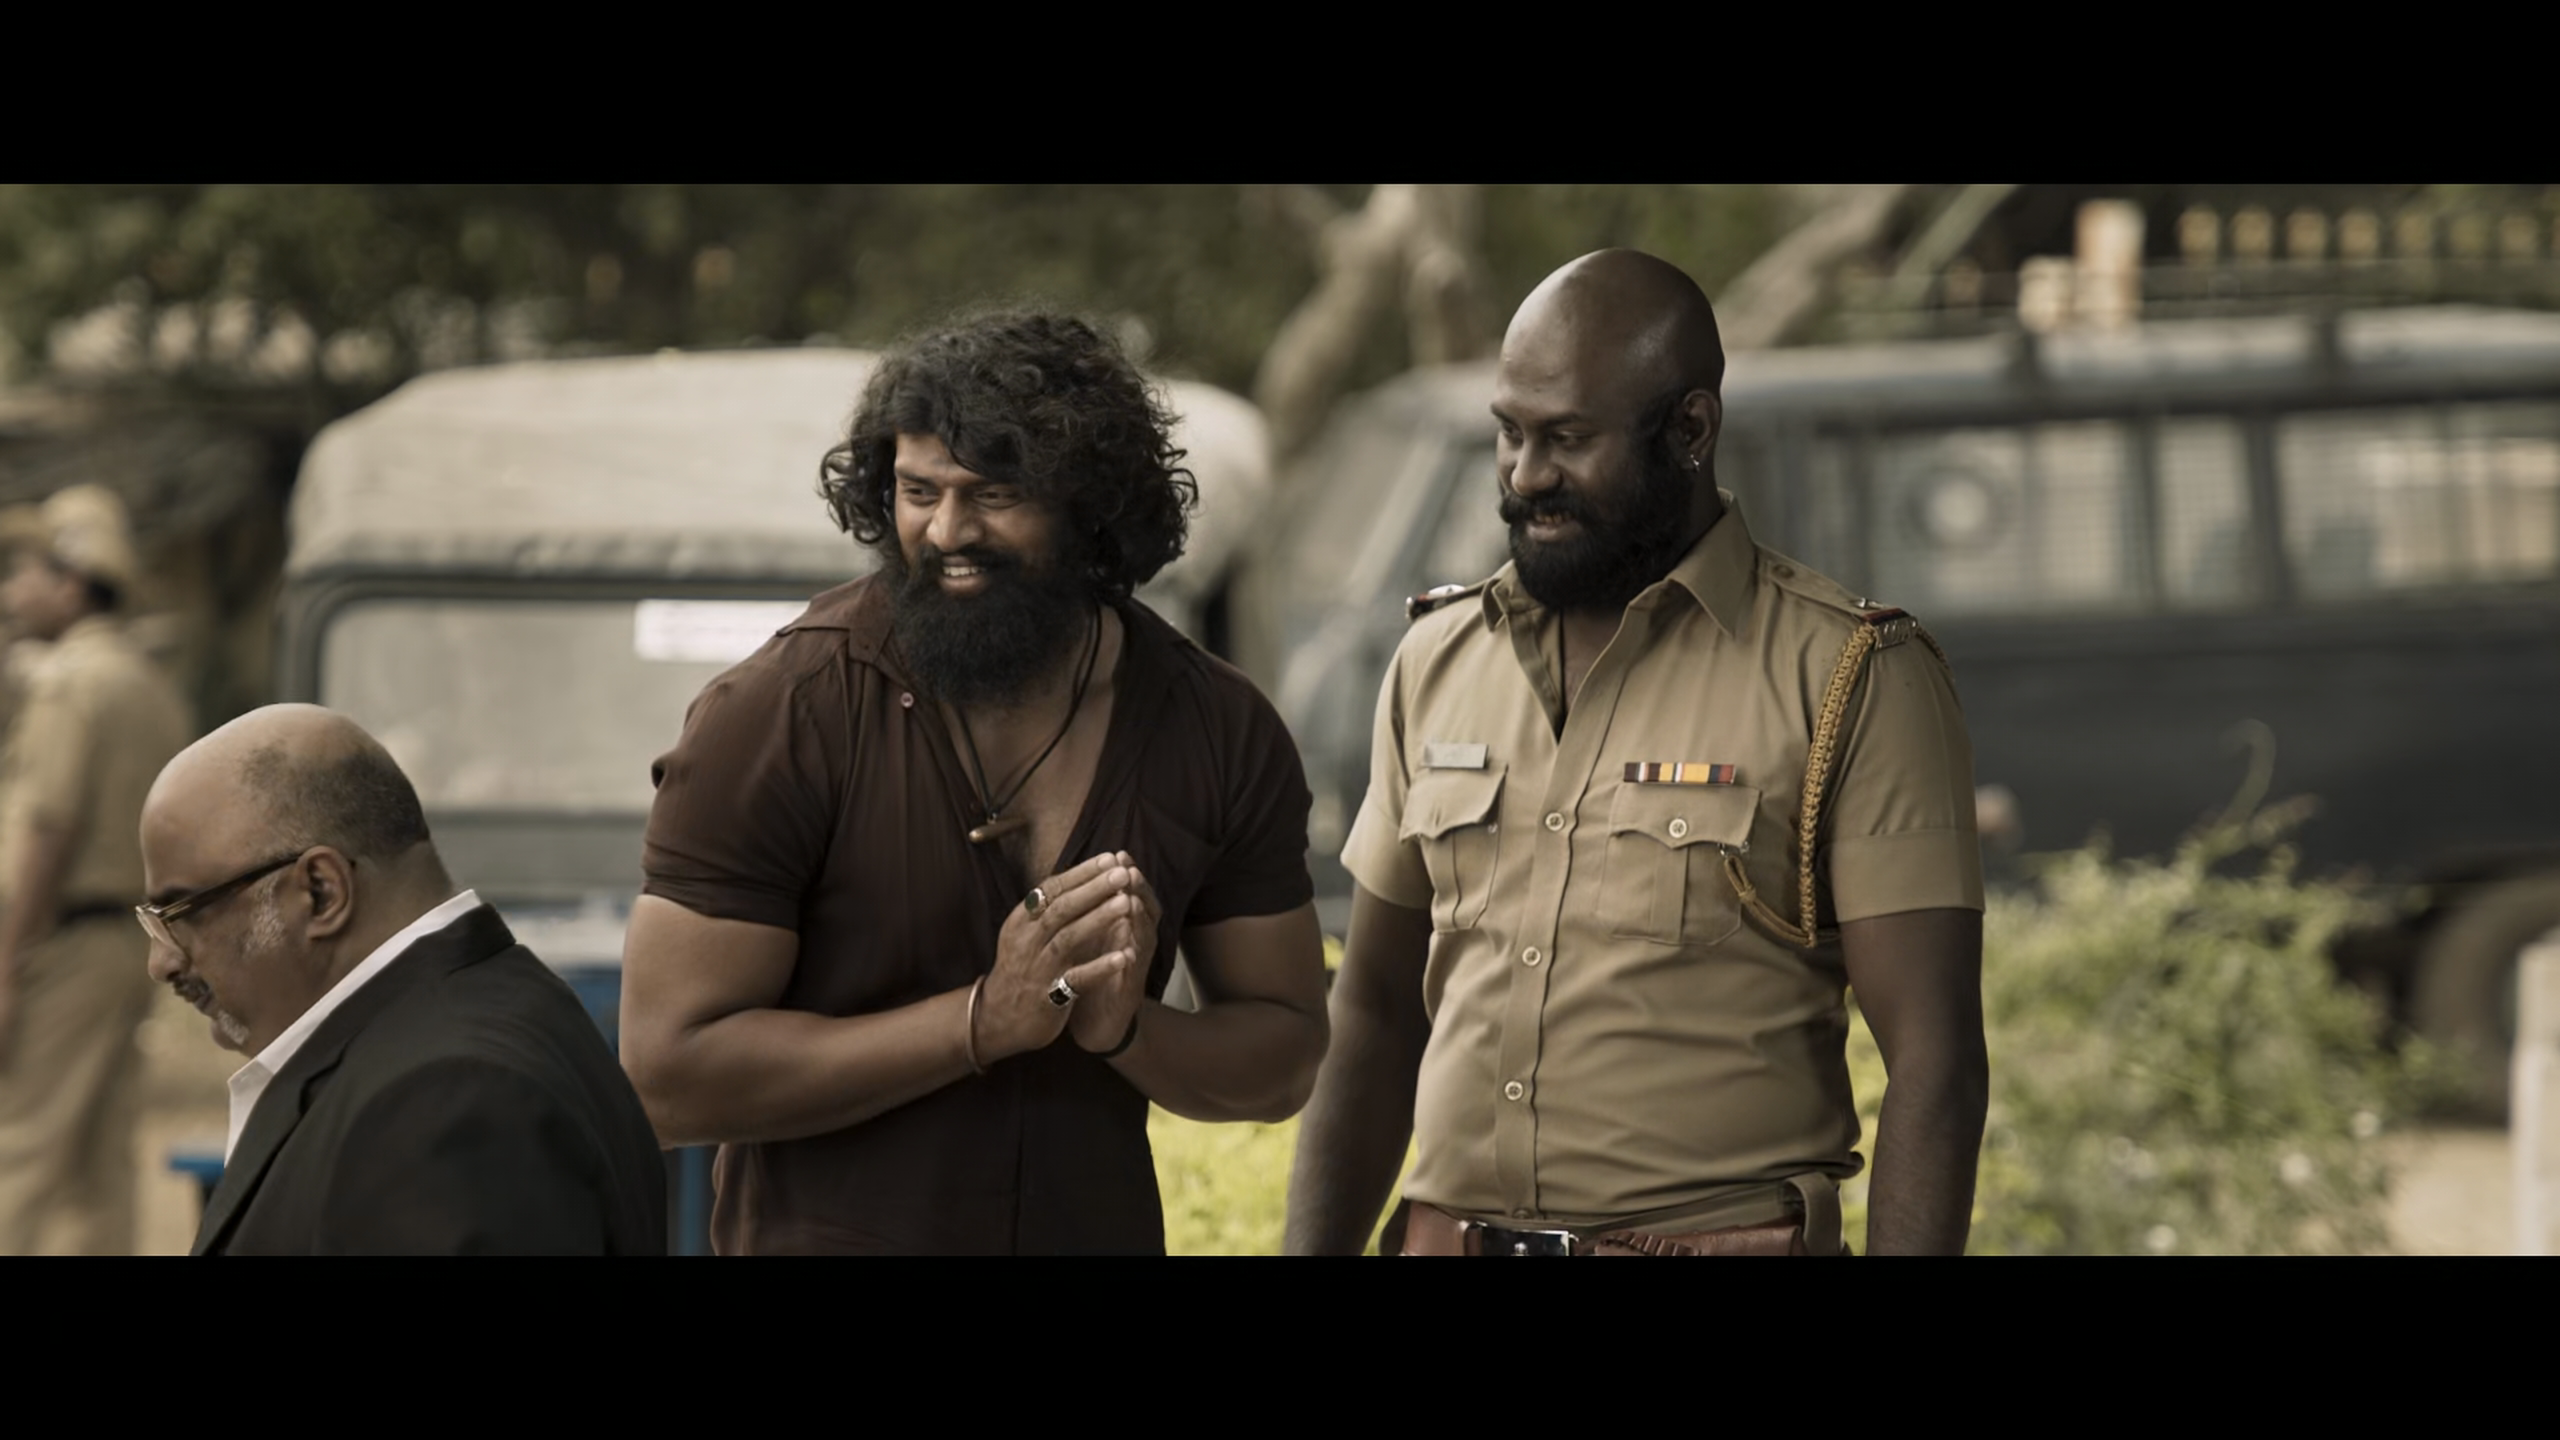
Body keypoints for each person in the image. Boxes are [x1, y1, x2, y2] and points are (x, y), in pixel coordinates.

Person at [1284, 250, 1989, 1257]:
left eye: (1569, 439)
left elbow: (1934, 1061)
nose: (1526, 475)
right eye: (1510, 433)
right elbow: (1374, 1014)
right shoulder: (1435, 659)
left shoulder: (1852, 675)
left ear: (1691, 430)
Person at [620, 310, 1330, 1255]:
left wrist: (1128, 1033)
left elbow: (1283, 1058)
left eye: (995, 494)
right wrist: (979, 1022)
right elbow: (666, 1078)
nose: (948, 532)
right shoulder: (779, 713)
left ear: (1091, 504)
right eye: (918, 491)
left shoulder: (1217, 727)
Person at [139, 704, 668, 1254]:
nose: (162, 962)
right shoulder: (468, 1030)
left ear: (320, 892)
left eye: (182, 913)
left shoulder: (444, 1100)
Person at [0, 486, 194, 1256]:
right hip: (129, 939)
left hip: (61, 938)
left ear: (72, 583)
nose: (14, 591)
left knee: (19, 1145)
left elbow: (48, 826)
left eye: (27, 572)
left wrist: (7, 962)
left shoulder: (69, 682)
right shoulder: (150, 685)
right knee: (101, 1161)